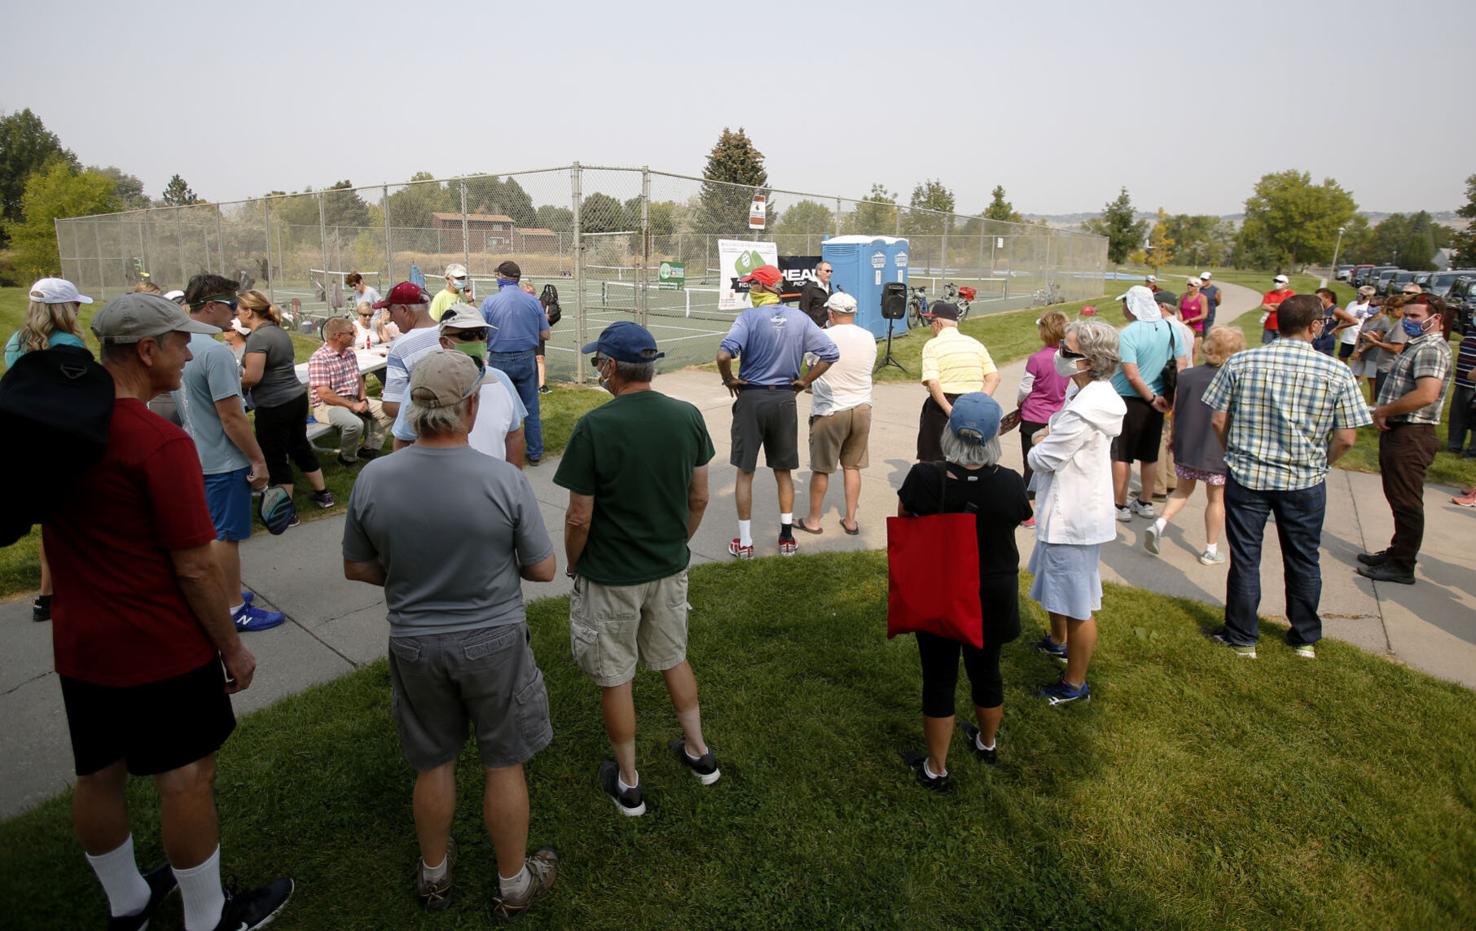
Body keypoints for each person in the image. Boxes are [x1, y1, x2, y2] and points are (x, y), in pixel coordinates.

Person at [49, 292, 293, 931]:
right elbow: (194, 565)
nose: (189, 353)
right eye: (180, 342)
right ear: (146, 350)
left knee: (97, 774)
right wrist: (231, 646)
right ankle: (209, 918)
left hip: (82, 641)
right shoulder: (158, 441)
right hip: (157, 642)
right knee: (186, 776)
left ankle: (127, 904)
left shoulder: (63, 427)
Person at [342, 351, 559, 918]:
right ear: (472, 405)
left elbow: (357, 566)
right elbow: (543, 569)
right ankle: (514, 884)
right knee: (502, 760)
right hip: (495, 641)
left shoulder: (374, 478)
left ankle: (434, 875)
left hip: (415, 643)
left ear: (414, 408)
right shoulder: (503, 479)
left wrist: (408, 576)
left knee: (433, 761)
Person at [554, 321, 720, 816]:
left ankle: (629, 783)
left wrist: (575, 562)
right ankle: (699, 753)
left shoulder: (595, 427)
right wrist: (675, 543)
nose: (597, 370)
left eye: (597, 363)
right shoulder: (687, 416)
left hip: (610, 575)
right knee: (673, 657)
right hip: (667, 567)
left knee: (616, 676)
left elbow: (578, 516)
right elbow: (699, 496)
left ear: (610, 367)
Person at [1201, 294, 1371, 659]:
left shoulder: (1242, 362)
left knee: (1246, 558)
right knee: (1304, 558)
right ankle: (1304, 637)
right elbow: (1347, 438)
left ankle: (1242, 637)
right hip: (1304, 479)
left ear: (1278, 322)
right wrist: (1322, 463)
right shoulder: (1336, 371)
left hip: (1248, 475)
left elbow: (1218, 419)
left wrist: (1232, 451)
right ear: (1314, 326)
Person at [897, 394, 1031, 790]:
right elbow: (1021, 516)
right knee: (987, 669)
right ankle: (986, 742)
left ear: (950, 433)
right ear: (993, 437)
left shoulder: (924, 477)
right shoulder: (1010, 482)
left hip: (941, 590)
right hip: (992, 591)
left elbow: (906, 520)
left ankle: (936, 767)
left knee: (939, 677)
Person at [1025, 319, 1126, 706]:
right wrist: (1046, 435)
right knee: (1056, 584)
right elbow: (1053, 429)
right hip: (1065, 507)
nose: (1059, 355)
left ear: (1090, 361)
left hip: (1075, 515)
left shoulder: (1087, 409)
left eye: (1067, 351)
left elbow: (1044, 457)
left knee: (1077, 602)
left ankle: (1074, 683)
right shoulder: (1080, 390)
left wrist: (1038, 442)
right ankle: (1057, 639)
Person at [174, 274, 281, 634]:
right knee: (225, 536)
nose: (236, 313)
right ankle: (233, 607)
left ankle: (220, 594)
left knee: (210, 533)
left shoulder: (180, 343)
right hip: (222, 460)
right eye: (232, 305)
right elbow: (232, 416)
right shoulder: (216, 352)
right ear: (210, 307)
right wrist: (258, 459)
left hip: (195, 454)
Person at [715, 264, 839, 558]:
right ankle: (786, 538)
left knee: (745, 471)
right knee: (783, 471)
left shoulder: (748, 317)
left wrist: (728, 378)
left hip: (752, 398)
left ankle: (746, 542)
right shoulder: (800, 319)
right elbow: (830, 353)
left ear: (763, 287)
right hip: (784, 399)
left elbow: (723, 354)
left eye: (752, 285)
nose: (750, 289)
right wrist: (805, 381)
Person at [4, 277, 91, 623]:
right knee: (72, 522)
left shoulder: (16, 341)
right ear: (63, 308)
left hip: (28, 439)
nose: (79, 310)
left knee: (51, 524)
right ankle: (68, 591)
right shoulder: (68, 344)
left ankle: (46, 595)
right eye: (75, 305)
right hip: (63, 441)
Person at [1357, 295, 1453, 585]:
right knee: (1398, 497)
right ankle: (1397, 551)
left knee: (1407, 502)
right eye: (1405, 315)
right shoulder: (1418, 345)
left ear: (1436, 318)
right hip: (1402, 431)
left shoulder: (1431, 349)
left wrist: (1384, 410)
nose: (1407, 321)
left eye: (1414, 316)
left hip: (1413, 433)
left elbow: (1426, 394)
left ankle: (1402, 564)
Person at [1143, 325, 1246, 565]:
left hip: (1188, 443)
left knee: (1182, 490)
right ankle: (1211, 549)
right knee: (1216, 499)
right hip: (1218, 446)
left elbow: (1177, 410)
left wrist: (1173, 436)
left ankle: (1160, 523)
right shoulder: (1235, 378)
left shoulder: (1186, 375)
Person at [237, 290, 333, 507]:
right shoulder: (278, 331)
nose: (236, 315)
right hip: (296, 398)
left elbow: (253, 377)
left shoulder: (258, 337)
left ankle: (285, 511)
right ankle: (323, 494)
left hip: (274, 404)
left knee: (275, 456)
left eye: (239, 311)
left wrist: (234, 384)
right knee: (300, 446)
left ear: (249, 312)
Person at [797, 292, 875, 535]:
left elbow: (811, 367)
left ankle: (813, 520)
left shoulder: (822, 336)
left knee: (821, 468)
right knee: (852, 467)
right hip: (861, 408)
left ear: (831, 314)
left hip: (830, 410)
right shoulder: (868, 337)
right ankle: (850, 520)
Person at [410, 304, 528, 465]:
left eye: (481, 334)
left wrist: (513, 476)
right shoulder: (423, 383)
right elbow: (404, 439)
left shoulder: (501, 380)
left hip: (493, 479)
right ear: (445, 342)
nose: (477, 341)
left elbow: (514, 434)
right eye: (467, 335)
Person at [1109, 286, 1186, 521]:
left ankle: (1119, 504)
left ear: (1132, 306)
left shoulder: (1128, 334)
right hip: (1160, 400)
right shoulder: (1171, 329)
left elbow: (1132, 375)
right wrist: (1165, 398)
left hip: (1130, 400)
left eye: (1125, 303)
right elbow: (1181, 365)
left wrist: (1150, 398)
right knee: (1149, 454)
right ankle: (1146, 501)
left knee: (1122, 454)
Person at [480, 261, 550, 465]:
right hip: (526, 358)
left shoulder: (490, 302)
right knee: (531, 408)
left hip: (499, 359)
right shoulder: (533, 302)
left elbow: (481, 333)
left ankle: (499, 451)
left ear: (501, 277)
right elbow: (546, 334)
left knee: (497, 407)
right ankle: (535, 453)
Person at [916, 301, 1000, 462]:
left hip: (943, 405)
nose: (931, 327)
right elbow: (994, 378)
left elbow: (933, 383)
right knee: (969, 458)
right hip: (972, 404)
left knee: (935, 459)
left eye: (931, 322)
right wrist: (978, 402)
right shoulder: (975, 344)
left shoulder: (932, 345)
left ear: (938, 323)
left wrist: (950, 411)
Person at [307, 317, 392, 466]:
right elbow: (324, 394)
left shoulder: (350, 354)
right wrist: (353, 406)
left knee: (388, 410)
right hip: (327, 406)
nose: (355, 336)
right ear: (338, 336)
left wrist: (363, 399)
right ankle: (347, 458)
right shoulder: (319, 358)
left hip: (351, 400)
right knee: (355, 424)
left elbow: (358, 378)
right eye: (351, 333)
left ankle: (368, 448)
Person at [1015, 310, 1071, 527]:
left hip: (1033, 415)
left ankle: (1027, 511)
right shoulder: (1066, 358)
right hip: (1055, 417)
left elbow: (1025, 388)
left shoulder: (1037, 359)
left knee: (1030, 463)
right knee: (1052, 464)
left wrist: (1020, 403)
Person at [377, 281, 442, 450]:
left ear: (404, 310)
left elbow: (392, 406)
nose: (390, 318)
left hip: (423, 438)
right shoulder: (450, 332)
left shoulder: (400, 347)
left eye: (391, 311)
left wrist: (386, 401)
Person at [1361, 294, 1409, 402]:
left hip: (1388, 367)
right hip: (1384, 366)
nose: (1390, 313)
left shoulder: (1401, 325)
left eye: (1391, 310)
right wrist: (1379, 338)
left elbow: (1396, 348)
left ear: (1401, 308)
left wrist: (1375, 342)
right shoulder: (1397, 323)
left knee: (1381, 400)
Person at [1447, 313, 1476, 461]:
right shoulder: (1471, 328)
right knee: (1457, 415)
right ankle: (1454, 445)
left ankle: (1472, 451)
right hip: (1461, 380)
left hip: (1474, 382)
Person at [1336, 286, 1376, 364]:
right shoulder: (1351, 304)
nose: (1358, 295)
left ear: (1369, 296)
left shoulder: (1369, 308)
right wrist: (1339, 329)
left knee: (1356, 361)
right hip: (1347, 337)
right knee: (1342, 358)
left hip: (1358, 339)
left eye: (1361, 294)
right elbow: (1345, 318)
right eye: (1357, 293)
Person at [1257, 273, 1296, 345]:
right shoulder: (1269, 294)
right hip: (1269, 325)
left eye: (1280, 282)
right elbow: (1263, 306)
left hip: (1283, 326)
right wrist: (1280, 306)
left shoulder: (1290, 294)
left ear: (1286, 284)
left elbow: (1289, 306)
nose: (1277, 283)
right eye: (1275, 281)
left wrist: (1272, 305)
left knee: (1281, 346)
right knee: (1268, 346)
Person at [797, 259, 835, 328]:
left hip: (828, 327)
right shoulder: (810, 287)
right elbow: (803, 310)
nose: (830, 273)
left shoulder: (829, 285)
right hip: (815, 328)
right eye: (827, 271)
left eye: (831, 271)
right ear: (818, 272)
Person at [1179, 278, 1209, 362]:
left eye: (1191, 285)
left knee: (1195, 350)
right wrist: (1180, 319)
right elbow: (1179, 309)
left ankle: (1192, 368)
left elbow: (1204, 315)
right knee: (1182, 349)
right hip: (1183, 326)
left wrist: (1189, 321)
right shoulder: (1183, 296)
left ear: (1197, 287)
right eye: (1188, 284)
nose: (1189, 286)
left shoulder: (1202, 298)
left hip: (1196, 328)